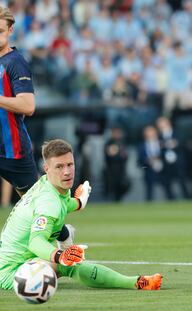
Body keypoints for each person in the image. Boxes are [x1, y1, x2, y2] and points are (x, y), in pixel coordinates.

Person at [0, 139, 162, 291]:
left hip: (18, 262)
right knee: (69, 265)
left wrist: (79, 202)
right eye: (59, 167)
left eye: (70, 165)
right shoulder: (48, 202)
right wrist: (61, 256)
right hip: (12, 273)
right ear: (46, 168)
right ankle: (136, 283)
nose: (66, 172)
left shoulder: (48, 184)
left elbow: (63, 203)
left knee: (66, 244)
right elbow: (35, 242)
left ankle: (63, 245)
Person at [0, 7, 73, 249]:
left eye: (0, 31)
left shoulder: (15, 63)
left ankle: (62, 235)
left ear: (10, 31)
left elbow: (28, 105)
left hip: (12, 150)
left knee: (36, 205)